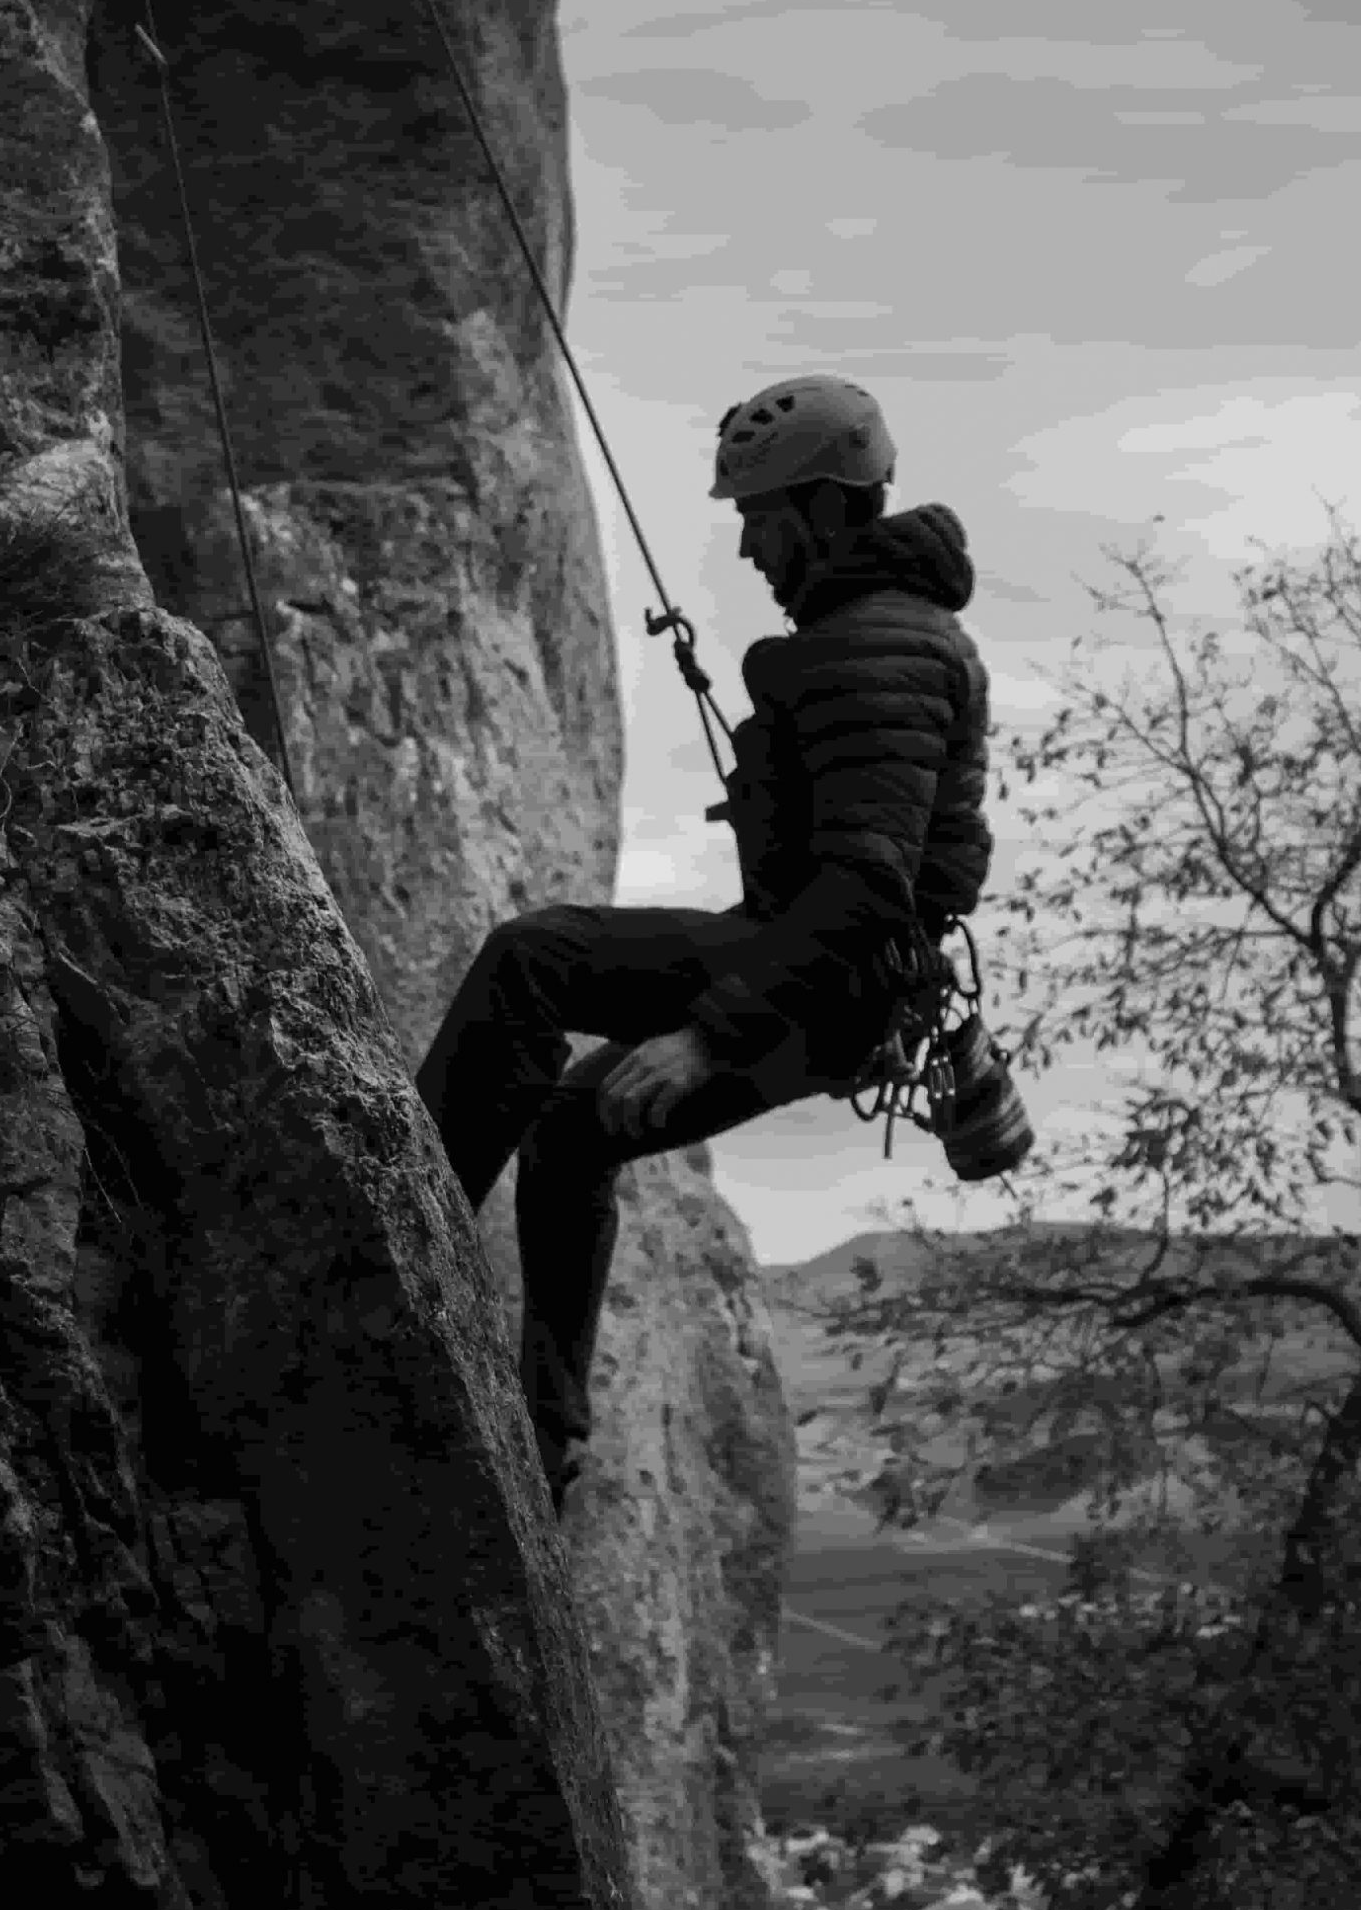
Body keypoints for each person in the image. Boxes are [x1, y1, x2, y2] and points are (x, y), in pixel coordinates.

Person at [416, 375, 999, 1517]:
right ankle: (543, 1435)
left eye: (758, 517)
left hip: (814, 979)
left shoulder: (873, 649)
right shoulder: (872, 635)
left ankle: (395, 1244)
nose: (745, 547)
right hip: (832, 984)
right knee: (573, 1138)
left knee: (534, 958)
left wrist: (703, 1036)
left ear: (824, 509)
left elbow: (867, 885)